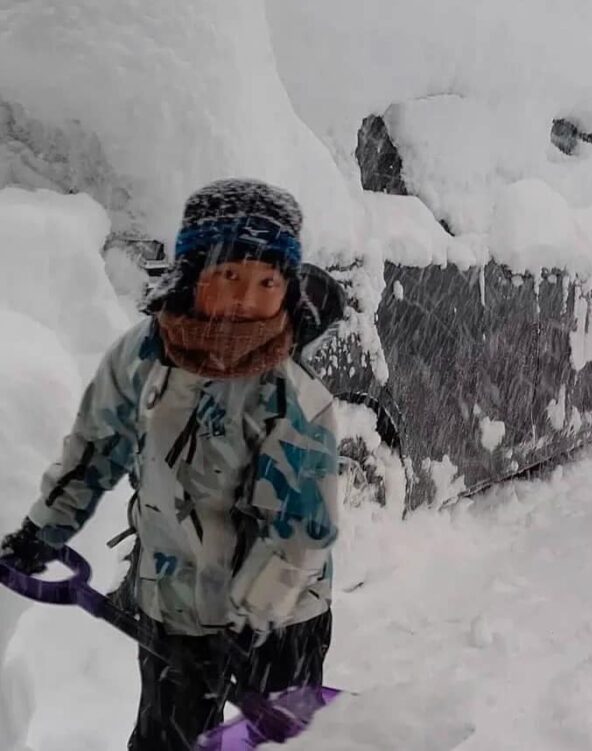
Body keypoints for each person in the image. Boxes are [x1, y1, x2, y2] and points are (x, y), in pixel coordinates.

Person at [0, 178, 343, 751]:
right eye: (228, 275)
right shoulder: (141, 358)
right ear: (191, 276)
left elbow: (301, 537)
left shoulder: (295, 403)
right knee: (165, 741)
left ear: (286, 291)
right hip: (174, 601)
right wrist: (43, 530)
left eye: (267, 282)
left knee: (268, 743)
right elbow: (94, 448)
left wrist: (248, 625)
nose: (245, 297)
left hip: (279, 618)